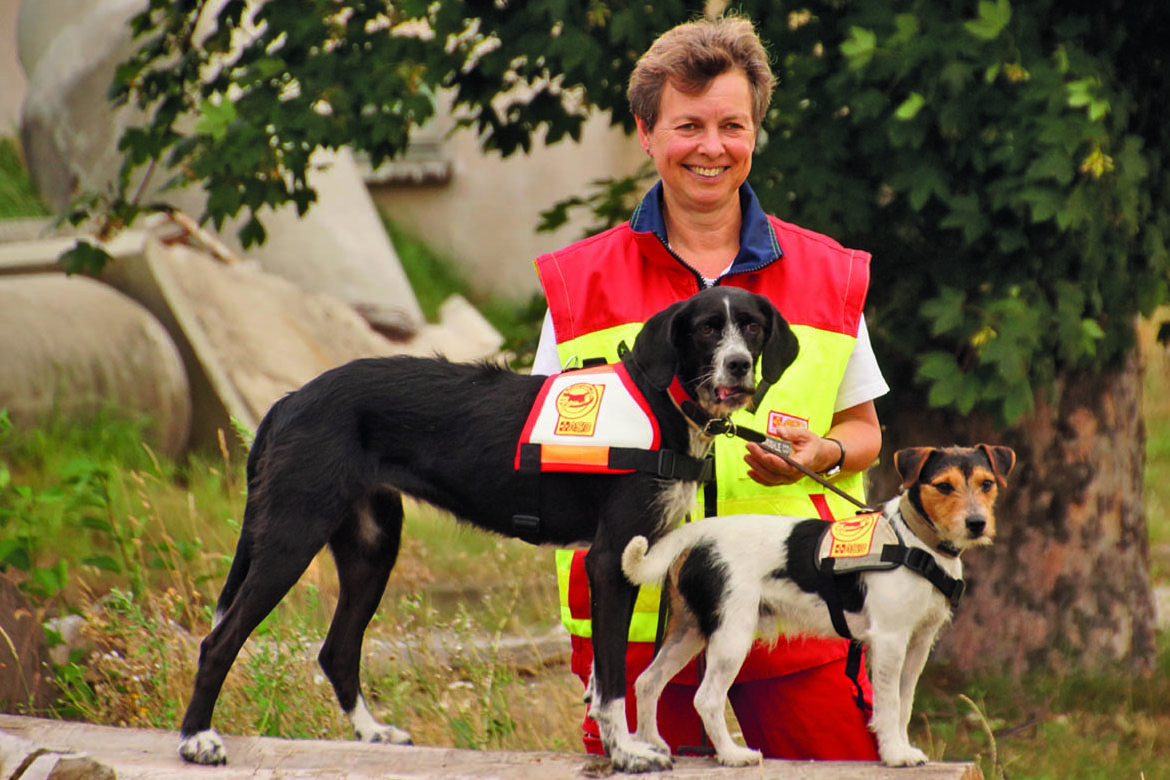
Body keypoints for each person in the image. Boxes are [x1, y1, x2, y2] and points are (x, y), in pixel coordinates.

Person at [531, 14, 888, 761]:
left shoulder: (827, 272)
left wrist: (819, 453)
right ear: (646, 134)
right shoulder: (579, 282)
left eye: (732, 125)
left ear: (755, 131)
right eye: (687, 125)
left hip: (798, 615)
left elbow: (864, 432)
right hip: (636, 628)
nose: (711, 147)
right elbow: (543, 448)